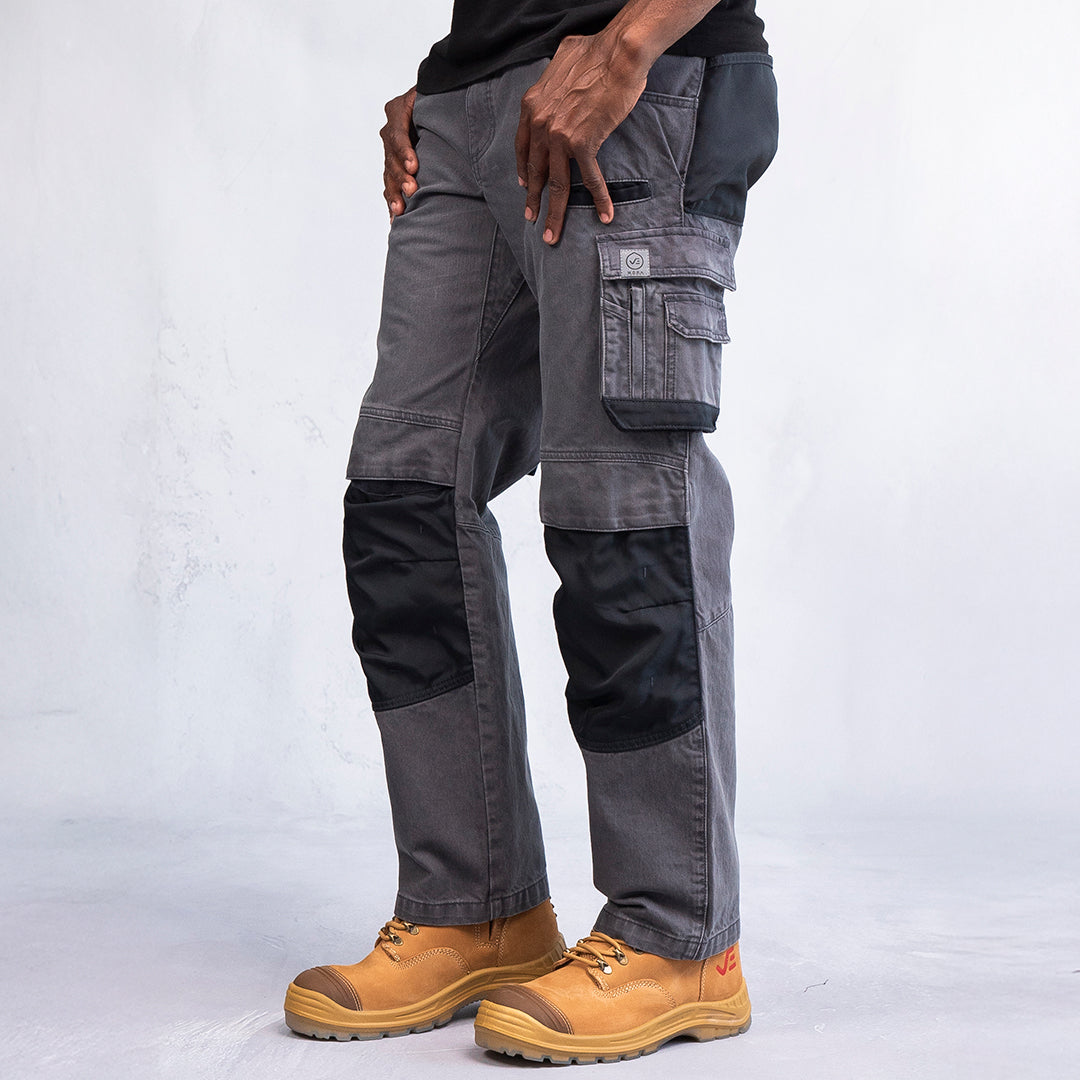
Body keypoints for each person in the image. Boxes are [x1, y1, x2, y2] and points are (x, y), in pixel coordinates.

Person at [283, 0, 778, 1064]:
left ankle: (680, 936)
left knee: (622, 513)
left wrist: (631, 41)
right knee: (405, 498)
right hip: (474, 101)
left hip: (633, 86)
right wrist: (461, 73)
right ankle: (476, 910)